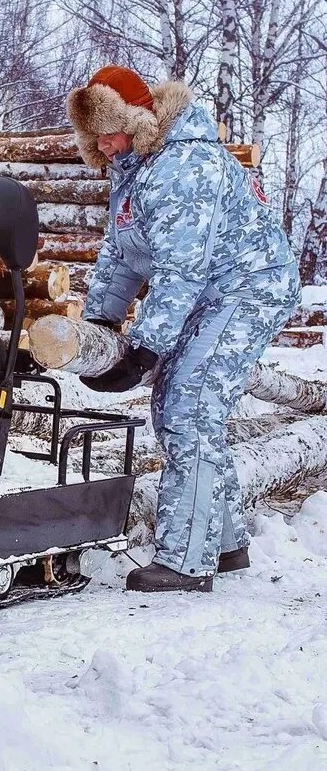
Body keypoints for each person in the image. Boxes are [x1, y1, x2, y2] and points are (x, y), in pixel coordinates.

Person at [66, 65, 299, 594]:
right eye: (95, 135)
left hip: (246, 286)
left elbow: (180, 270)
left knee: (188, 404)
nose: (105, 143)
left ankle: (187, 561)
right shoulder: (133, 167)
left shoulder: (185, 164)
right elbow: (122, 255)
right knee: (182, 403)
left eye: (111, 127)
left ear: (140, 117)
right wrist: (100, 319)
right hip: (207, 289)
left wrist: (145, 348)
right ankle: (223, 540)